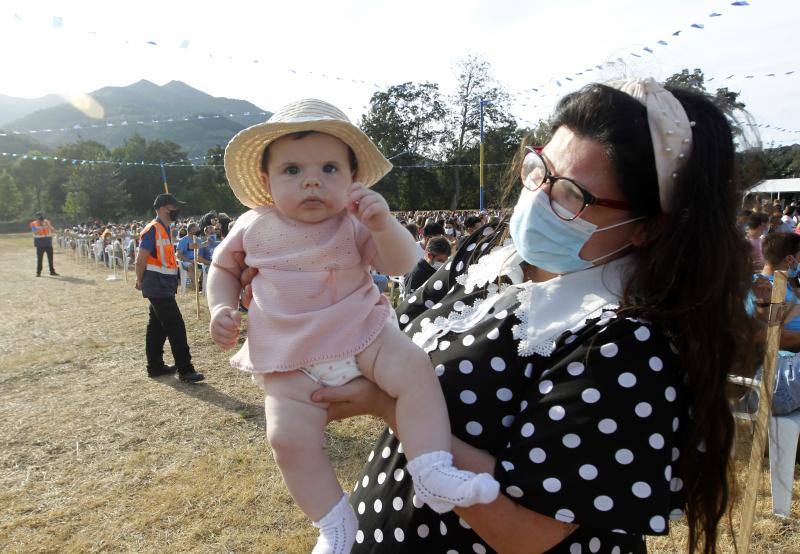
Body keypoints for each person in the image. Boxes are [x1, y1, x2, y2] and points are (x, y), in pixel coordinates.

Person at [305, 79, 754, 553]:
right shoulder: (490, 256)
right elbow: (388, 329)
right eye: (540, 170)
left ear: (645, 228)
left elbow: (526, 534)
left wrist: (389, 406)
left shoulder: (628, 346)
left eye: (570, 195)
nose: (537, 196)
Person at [207, 99, 499, 554]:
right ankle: (333, 521)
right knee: (286, 439)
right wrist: (219, 307)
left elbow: (403, 263)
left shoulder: (355, 221)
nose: (311, 180)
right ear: (265, 183)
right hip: (289, 357)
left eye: (328, 168)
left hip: (364, 334)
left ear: (351, 179)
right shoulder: (251, 225)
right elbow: (223, 270)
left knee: (416, 370)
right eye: (291, 171)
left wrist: (383, 225)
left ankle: (432, 468)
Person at [135, 193, 204, 382]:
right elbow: (141, 259)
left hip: (162, 285)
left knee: (156, 327)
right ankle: (185, 369)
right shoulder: (153, 229)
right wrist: (139, 280)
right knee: (176, 326)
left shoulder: (164, 228)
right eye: (175, 207)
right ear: (165, 208)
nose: (177, 211)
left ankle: (155, 367)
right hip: (156, 285)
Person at [30, 211, 58, 277]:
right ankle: (38, 272)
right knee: (40, 259)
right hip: (39, 243)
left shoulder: (47, 222)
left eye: (42, 216)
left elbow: (52, 229)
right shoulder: (33, 224)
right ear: (36, 217)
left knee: (50, 258)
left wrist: (50, 227)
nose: (41, 217)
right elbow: (36, 232)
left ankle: (52, 271)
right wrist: (42, 226)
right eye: (39, 216)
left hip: (48, 242)